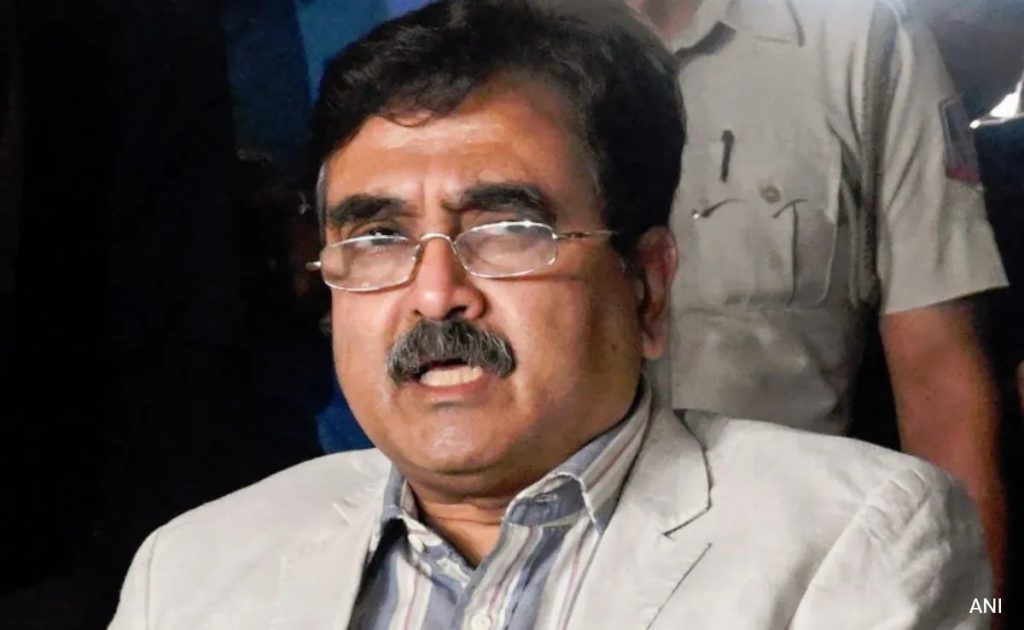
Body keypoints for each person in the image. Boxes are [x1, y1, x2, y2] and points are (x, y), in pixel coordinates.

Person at [109, 2, 992, 627]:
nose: (435, 294)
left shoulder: (856, 548)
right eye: (377, 238)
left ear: (649, 287)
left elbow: (939, 370)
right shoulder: (188, 571)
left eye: (509, 231)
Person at [626, 0, 1010, 593]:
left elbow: (941, 391)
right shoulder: (505, 40)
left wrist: (980, 613)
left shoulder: (866, 42)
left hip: (800, 589)